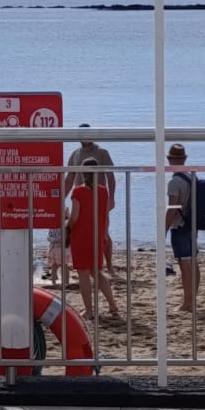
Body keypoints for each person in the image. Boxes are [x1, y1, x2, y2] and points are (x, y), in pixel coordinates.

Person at [65, 159, 121, 322]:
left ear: (83, 173)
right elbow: (105, 216)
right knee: (96, 272)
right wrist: (104, 234)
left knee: (83, 273)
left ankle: (89, 310)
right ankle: (112, 305)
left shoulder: (78, 192)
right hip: (96, 234)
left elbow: (75, 216)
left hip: (81, 235)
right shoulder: (103, 192)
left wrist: (67, 226)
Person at [68, 124, 115, 272]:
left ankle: (108, 264)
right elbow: (70, 177)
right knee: (81, 231)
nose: (85, 137)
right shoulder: (75, 154)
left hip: (99, 199)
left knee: (103, 232)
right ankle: (87, 264)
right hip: (79, 199)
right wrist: (60, 196)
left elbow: (110, 176)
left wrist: (111, 198)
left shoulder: (101, 152)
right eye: (82, 134)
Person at [164, 143, 200, 312]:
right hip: (193, 224)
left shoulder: (175, 181)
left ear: (169, 159)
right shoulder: (192, 176)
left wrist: (163, 228)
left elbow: (173, 208)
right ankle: (193, 298)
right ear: (185, 159)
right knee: (193, 260)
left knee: (184, 262)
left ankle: (187, 303)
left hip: (180, 225)